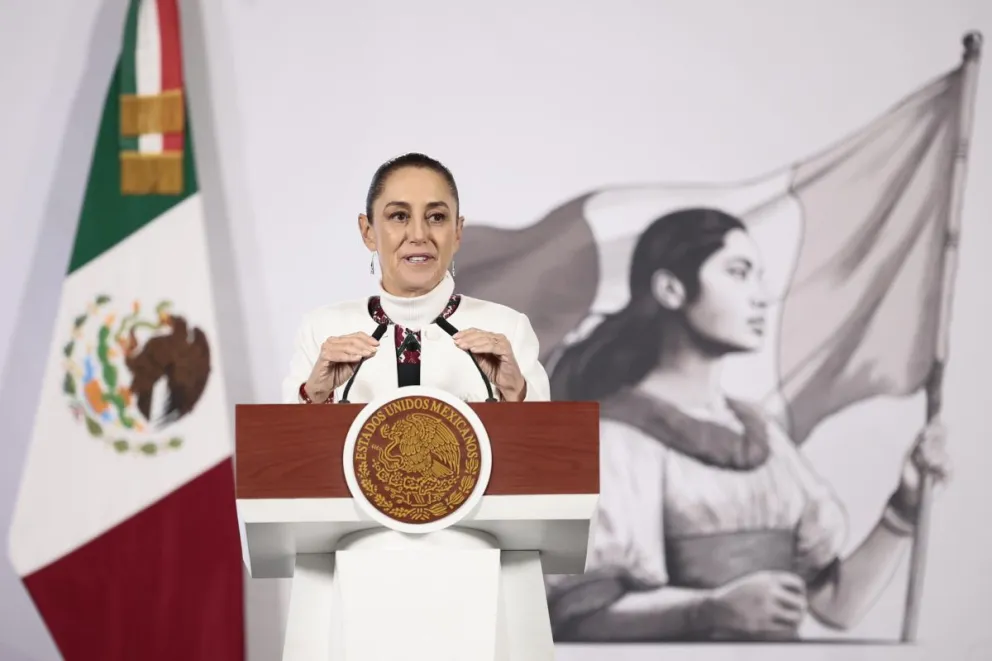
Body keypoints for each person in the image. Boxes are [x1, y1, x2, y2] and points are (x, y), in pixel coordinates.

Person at [544, 208, 951, 641]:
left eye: (759, 277)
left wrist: (904, 508)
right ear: (670, 289)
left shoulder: (764, 435)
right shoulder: (609, 437)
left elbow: (836, 606)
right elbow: (576, 616)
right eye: (738, 273)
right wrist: (709, 610)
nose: (761, 297)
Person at [282, 152, 550, 405]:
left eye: (436, 217)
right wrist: (314, 394)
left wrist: (516, 391)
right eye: (399, 216)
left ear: (457, 232)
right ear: (368, 232)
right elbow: (285, 434)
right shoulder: (322, 330)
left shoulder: (507, 329)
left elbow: (545, 434)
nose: (419, 234)